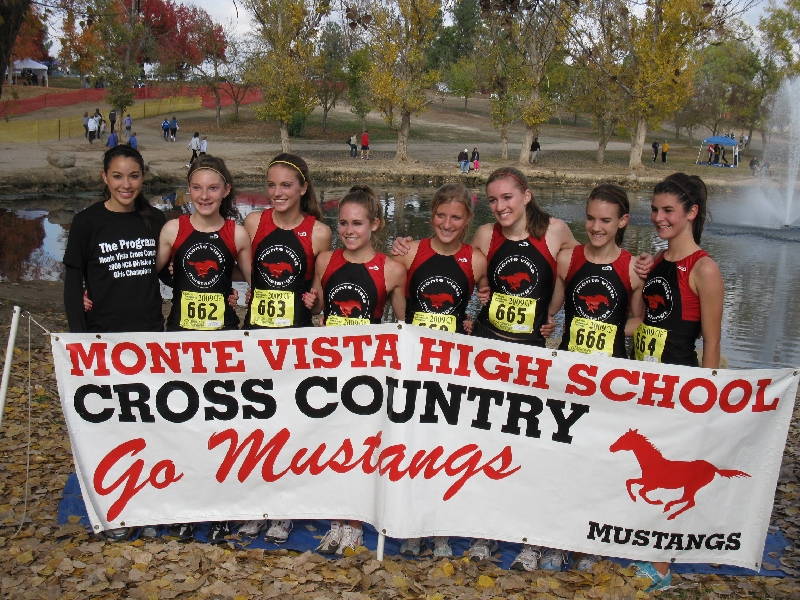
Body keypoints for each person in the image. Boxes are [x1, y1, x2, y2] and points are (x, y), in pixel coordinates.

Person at [62, 145, 167, 540]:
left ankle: (150, 500)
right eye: (119, 176)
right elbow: (74, 286)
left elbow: (171, 275)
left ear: (143, 177)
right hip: (103, 338)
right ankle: (117, 507)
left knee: (148, 421)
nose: (127, 184)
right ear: (105, 178)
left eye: (134, 176)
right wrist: (80, 340)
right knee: (113, 425)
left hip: (149, 336)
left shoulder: (154, 219)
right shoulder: (87, 222)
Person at [627, 173, 723, 591]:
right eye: (655, 209)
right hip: (645, 380)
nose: (659, 218)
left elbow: (713, 346)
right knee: (645, 467)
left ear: (691, 212)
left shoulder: (704, 269)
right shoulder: (658, 262)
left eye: (668, 210)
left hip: (680, 385)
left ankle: (662, 567)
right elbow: (640, 322)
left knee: (671, 478)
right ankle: (642, 547)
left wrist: (708, 403)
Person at [304, 185, 406, 556]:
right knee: (331, 444)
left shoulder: (391, 269)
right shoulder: (325, 260)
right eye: (343, 222)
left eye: (357, 223)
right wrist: (312, 303)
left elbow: (404, 322)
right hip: (330, 368)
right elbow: (318, 309)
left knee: (360, 449)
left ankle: (356, 523)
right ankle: (336, 518)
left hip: (369, 374)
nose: (349, 230)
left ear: (375, 225)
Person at [237, 154, 332, 543]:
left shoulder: (320, 232)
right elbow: (249, 277)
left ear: (303, 188)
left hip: (295, 341)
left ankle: (286, 508)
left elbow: (321, 293)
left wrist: (316, 306)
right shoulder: (253, 222)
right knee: (254, 423)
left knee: (289, 426)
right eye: (272, 185)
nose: (277, 193)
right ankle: (253, 503)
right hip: (256, 335)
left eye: (286, 186)